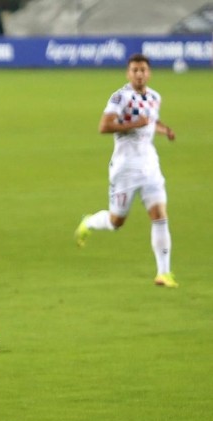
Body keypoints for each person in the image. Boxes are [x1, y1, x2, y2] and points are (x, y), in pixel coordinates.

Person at [75, 53, 178, 288]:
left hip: (150, 166)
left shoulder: (154, 97)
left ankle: (164, 273)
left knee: (160, 216)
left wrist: (166, 130)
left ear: (149, 73)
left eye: (143, 70)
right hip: (125, 169)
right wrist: (134, 125)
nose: (139, 74)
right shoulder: (120, 97)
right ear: (128, 73)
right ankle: (89, 222)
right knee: (116, 221)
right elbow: (104, 126)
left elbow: (151, 121)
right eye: (134, 70)